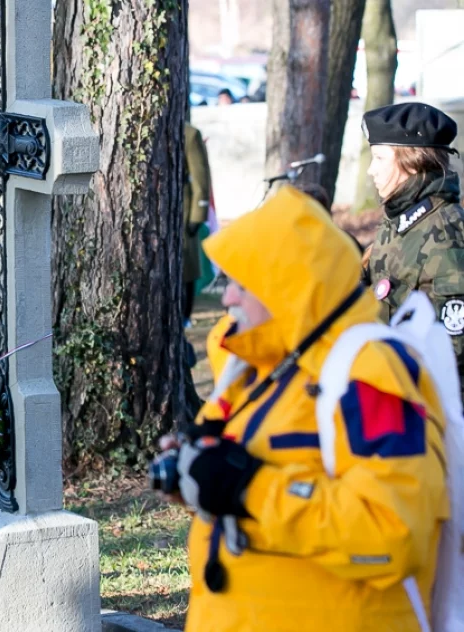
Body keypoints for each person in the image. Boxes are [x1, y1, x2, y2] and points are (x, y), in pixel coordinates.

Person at [162, 185, 448, 631]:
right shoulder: (258, 369)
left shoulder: (369, 375)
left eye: (241, 284)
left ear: (286, 285)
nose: (227, 299)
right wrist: (197, 476)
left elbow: (392, 534)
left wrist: (248, 489)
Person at [362, 102, 464, 396]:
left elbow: (452, 357)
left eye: (380, 158)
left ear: (411, 162)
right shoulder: (398, 224)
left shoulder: (447, 238)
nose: (371, 170)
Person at [183, 123, 212, 323]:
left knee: (187, 268)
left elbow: (200, 179)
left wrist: (197, 216)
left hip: (183, 214)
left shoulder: (189, 134)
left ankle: (184, 316)